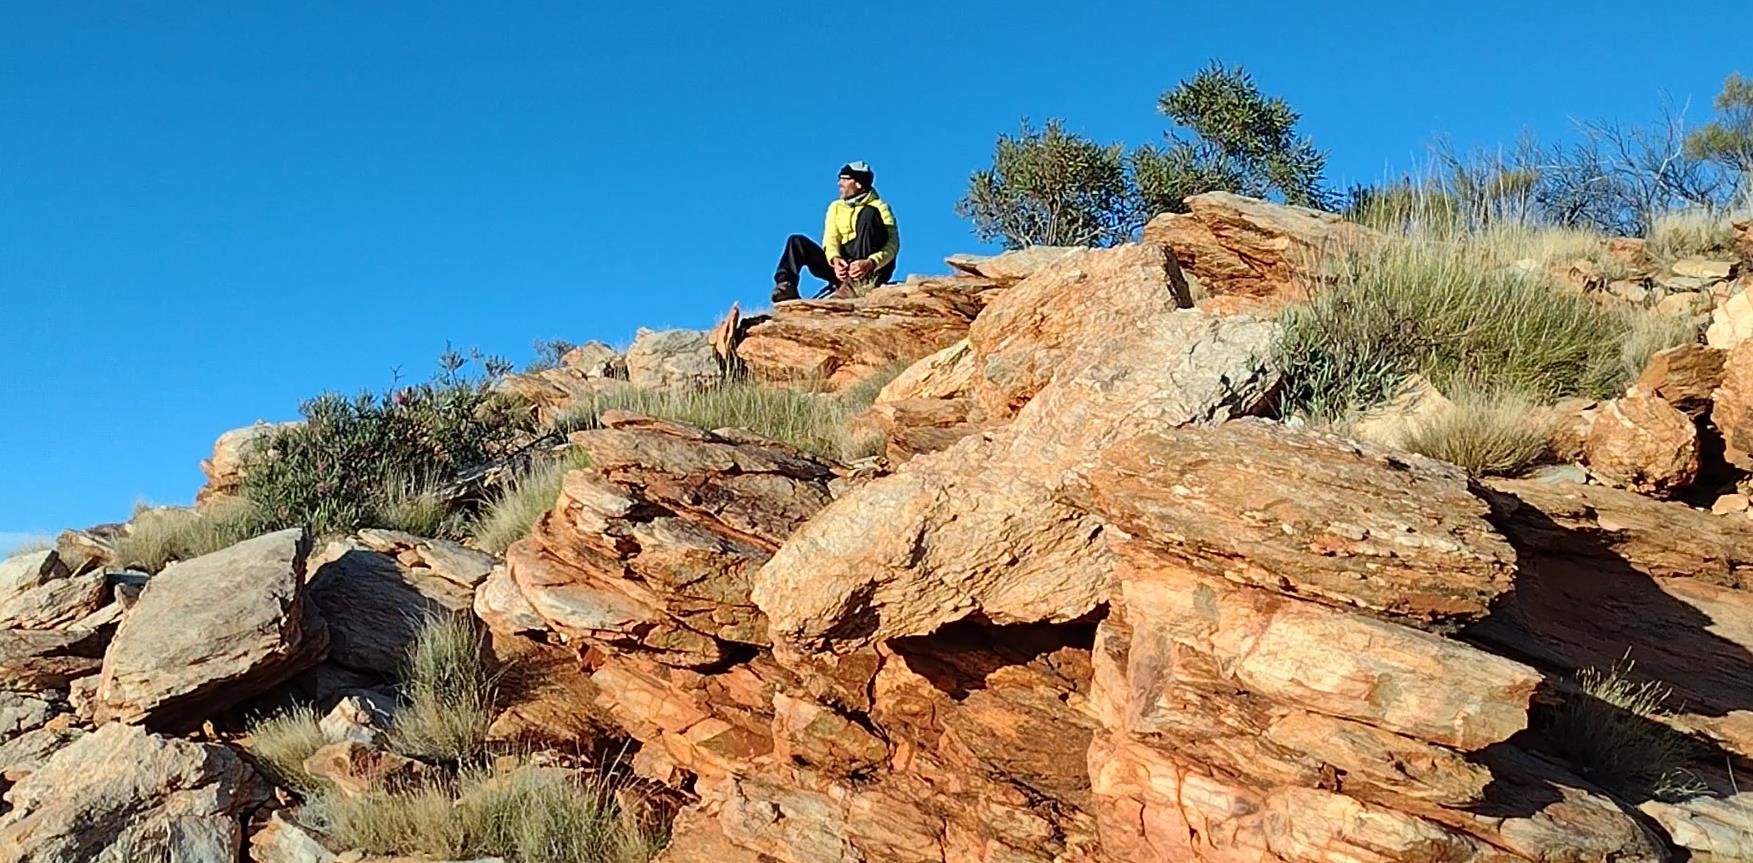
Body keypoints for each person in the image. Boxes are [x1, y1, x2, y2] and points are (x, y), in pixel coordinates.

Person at [772, 161, 900, 302]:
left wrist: (871, 262)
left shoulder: (880, 207)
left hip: (870, 267)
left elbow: (893, 244)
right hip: (843, 266)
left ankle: (854, 284)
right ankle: (786, 286)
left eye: (845, 179)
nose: (840, 183)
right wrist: (835, 259)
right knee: (796, 242)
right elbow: (830, 238)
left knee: (868, 214)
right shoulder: (835, 207)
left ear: (858, 183)